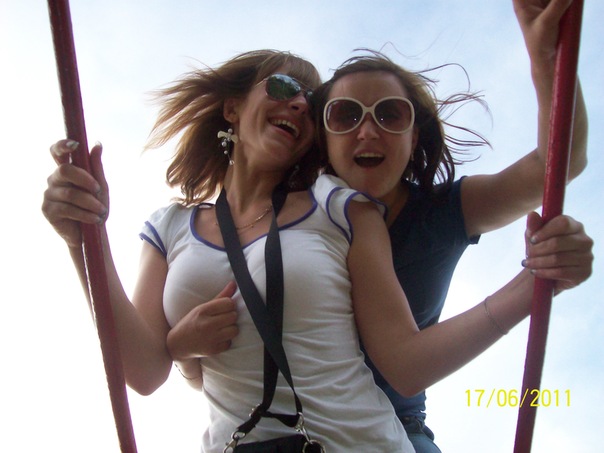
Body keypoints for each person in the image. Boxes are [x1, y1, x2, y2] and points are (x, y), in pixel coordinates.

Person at [42, 47, 593, 452]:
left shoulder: (342, 206)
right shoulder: (169, 227)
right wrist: (83, 240)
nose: (299, 104)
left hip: (368, 435)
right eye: (285, 87)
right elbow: (142, 371)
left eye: (311, 102)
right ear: (233, 108)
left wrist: (536, 279)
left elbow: (405, 362)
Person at [307, 0, 589, 451]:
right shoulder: (297, 217)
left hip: (398, 426)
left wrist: (547, 59)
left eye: (390, 113)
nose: (368, 130)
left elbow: (557, 163)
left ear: (413, 136)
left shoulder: (442, 210)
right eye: (346, 114)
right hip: (296, 427)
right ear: (323, 137)